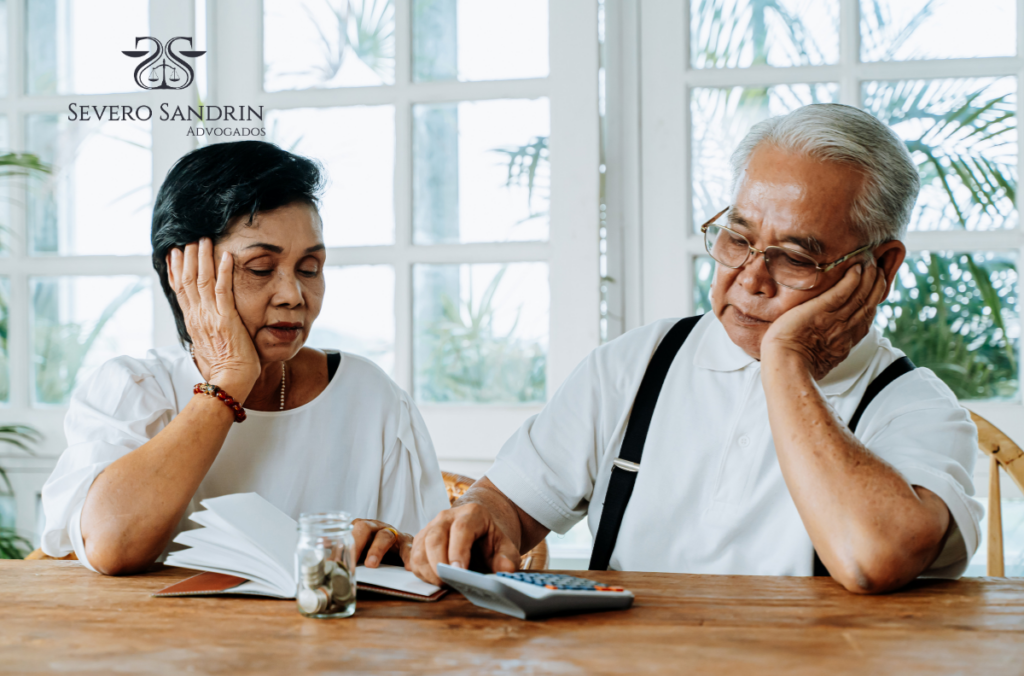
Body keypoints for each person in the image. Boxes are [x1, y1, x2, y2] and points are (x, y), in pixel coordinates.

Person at [409, 104, 983, 594]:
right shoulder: (636, 363)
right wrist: (480, 518)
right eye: (739, 237)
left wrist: (784, 362)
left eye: (796, 257)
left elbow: (871, 558)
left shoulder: (918, 409)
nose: (750, 279)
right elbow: (508, 503)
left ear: (879, 270)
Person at [40, 141, 449, 575]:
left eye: (310, 268)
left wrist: (395, 546)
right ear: (183, 272)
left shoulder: (370, 397)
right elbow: (113, 546)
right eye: (259, 268)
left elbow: (427, 565)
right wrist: (228, 379)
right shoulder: (133, 390)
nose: (294, 296)